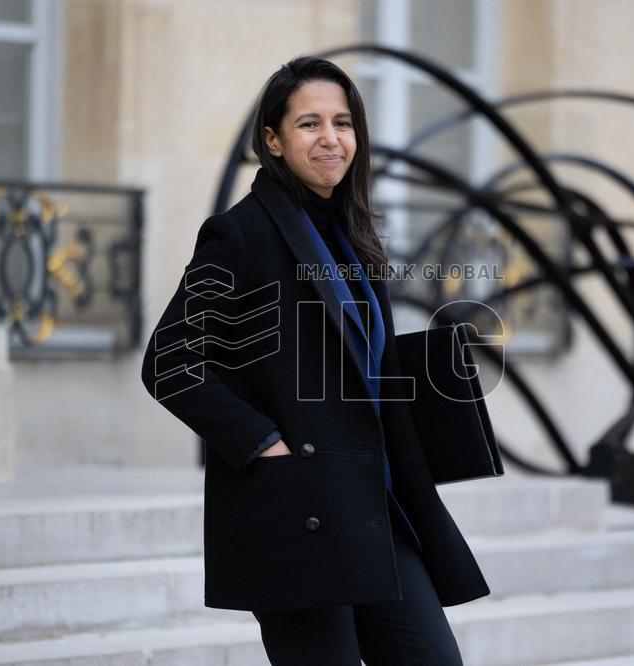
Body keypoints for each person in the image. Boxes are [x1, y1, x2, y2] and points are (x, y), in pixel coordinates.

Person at [140, 55, 489, 665]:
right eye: (309, 124)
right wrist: (261, 441)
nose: (331, 138)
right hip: (296, 511)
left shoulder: (353, 236)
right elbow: (171, 361)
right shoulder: (239, 235)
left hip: (374, 510)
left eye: (343, 122)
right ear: (272, 140)